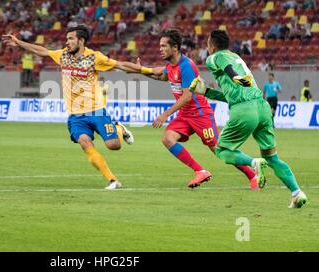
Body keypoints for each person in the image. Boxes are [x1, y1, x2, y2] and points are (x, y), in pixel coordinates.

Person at [2, 25, 144, 190]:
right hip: (76, 116)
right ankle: (112, 180)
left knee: (114, 145)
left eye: (70, 39)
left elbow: (120, 65)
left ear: (81, 40)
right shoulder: (63, 55)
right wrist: (19, 43)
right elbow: (42, 51)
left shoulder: (94, 57)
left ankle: (119, 128)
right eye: (66, 39)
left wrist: (142, 69)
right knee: (85, 142)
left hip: (96, 110)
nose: (67, 42)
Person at [190, 29, 307, 208]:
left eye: (207, 43)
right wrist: (206, 92)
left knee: (222, 150)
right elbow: (231, 94)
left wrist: (235, 78)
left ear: (212, 45)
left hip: (244, 110)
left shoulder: (214, 57)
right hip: (262, 107)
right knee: (272, 157)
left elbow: (229, 71)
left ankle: (253, 163)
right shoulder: (237, 57)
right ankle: (296, 192)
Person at [132, 29, 257, 189]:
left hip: (200, 114)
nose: (160, 49)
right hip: (185, 114)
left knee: (220, 150)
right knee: (167, 139)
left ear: (175, 47)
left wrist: (165, 115)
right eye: (160, 46)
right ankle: (200, 171)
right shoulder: (171, 65)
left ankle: (252, 174)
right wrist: (143, 72)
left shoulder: (187, 66)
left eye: (163, 46)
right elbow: (162, 76)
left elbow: (187, 96)